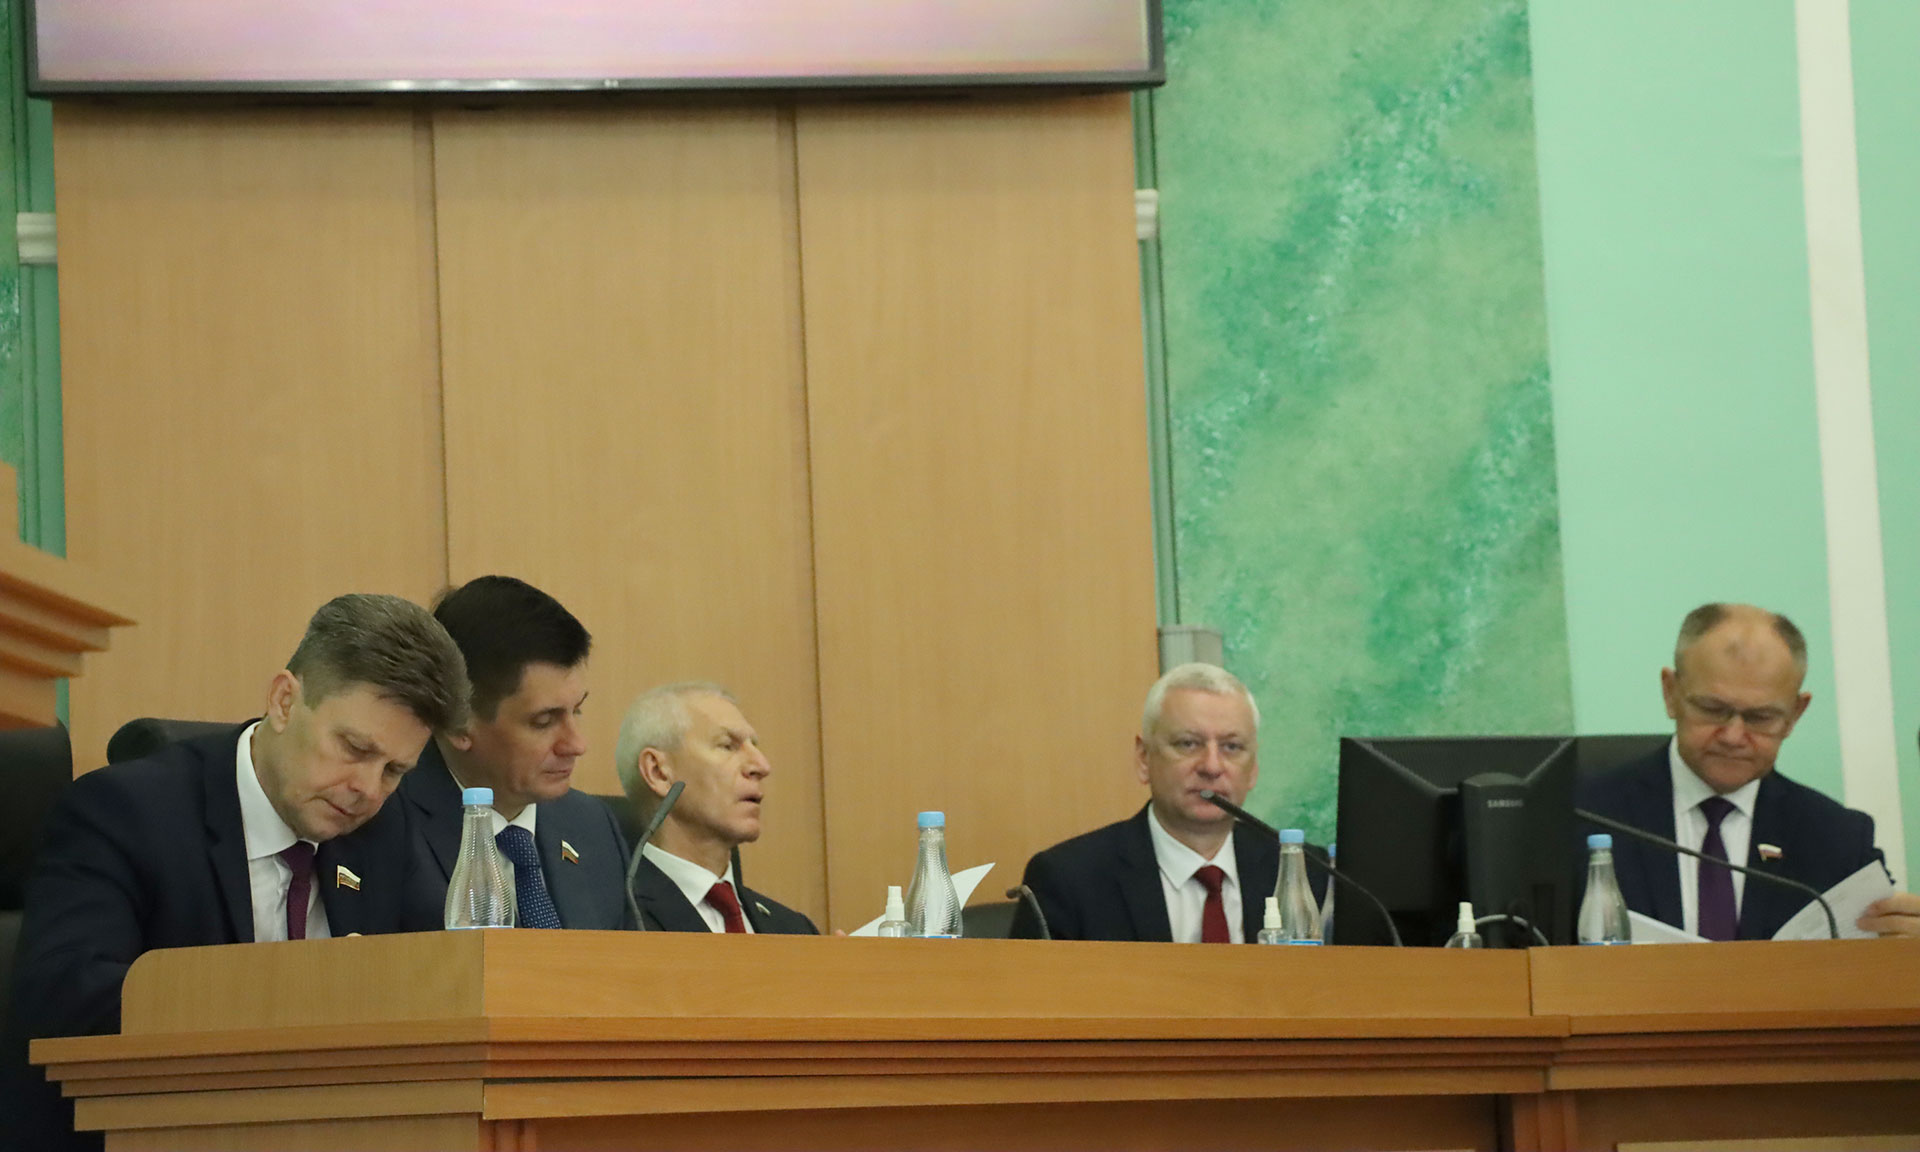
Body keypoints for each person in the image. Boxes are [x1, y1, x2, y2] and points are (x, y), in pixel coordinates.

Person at [5, 594, 468, 1152]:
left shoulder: (382, 829)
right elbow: (65, 999)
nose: (368, 789)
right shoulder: (124, 812)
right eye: (353, 748)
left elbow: (443, 980)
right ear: (284, 701)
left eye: (394, 770)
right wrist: (294, 995)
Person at [1579, 602, 1919, 940]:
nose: (1733, 736)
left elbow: (1878, 959)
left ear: (1795, 714)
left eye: (1761, 717)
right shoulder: (1582, 816)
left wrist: (1904, 944)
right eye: (1712, 709)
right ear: (1671, 693)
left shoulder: (1837, 840)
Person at [1011, 663, 1323, 942]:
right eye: (1188, 743)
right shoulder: (1067, 879)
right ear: (1144, 758)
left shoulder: (1308, 872)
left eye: (1231, 747)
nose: (1212, 766)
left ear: (1253, 768)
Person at [397, 576, 631, 930]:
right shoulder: (386, 827)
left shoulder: (592, 826)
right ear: (458, 725)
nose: (576, 745)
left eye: (577, 710)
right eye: (544, 721)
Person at [613, 683, 815, 934]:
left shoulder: (795, 930)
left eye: (755, 746)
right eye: (727, 746)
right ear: (658, 772)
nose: (762, 766)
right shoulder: (614, 922)